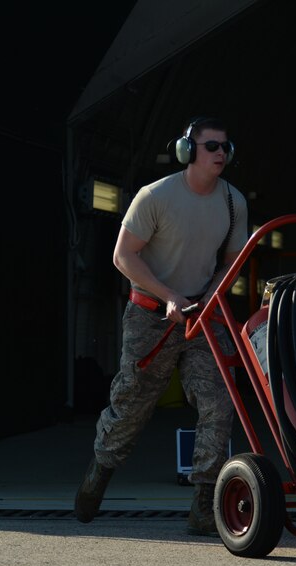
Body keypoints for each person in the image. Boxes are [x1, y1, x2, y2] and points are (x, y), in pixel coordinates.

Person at [74, 116, 249, 536]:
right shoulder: (155, 196)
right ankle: (98, 474)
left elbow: (232, 261)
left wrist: (208, 298)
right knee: (132, 405)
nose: (220, 154)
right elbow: (123, 256)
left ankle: (204, 504)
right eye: (211, 146)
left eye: (225, 147)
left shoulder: (232, 202)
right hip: (151, 315)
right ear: (188, 151)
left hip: (202, 317)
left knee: (219, 403)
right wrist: (169, 295)